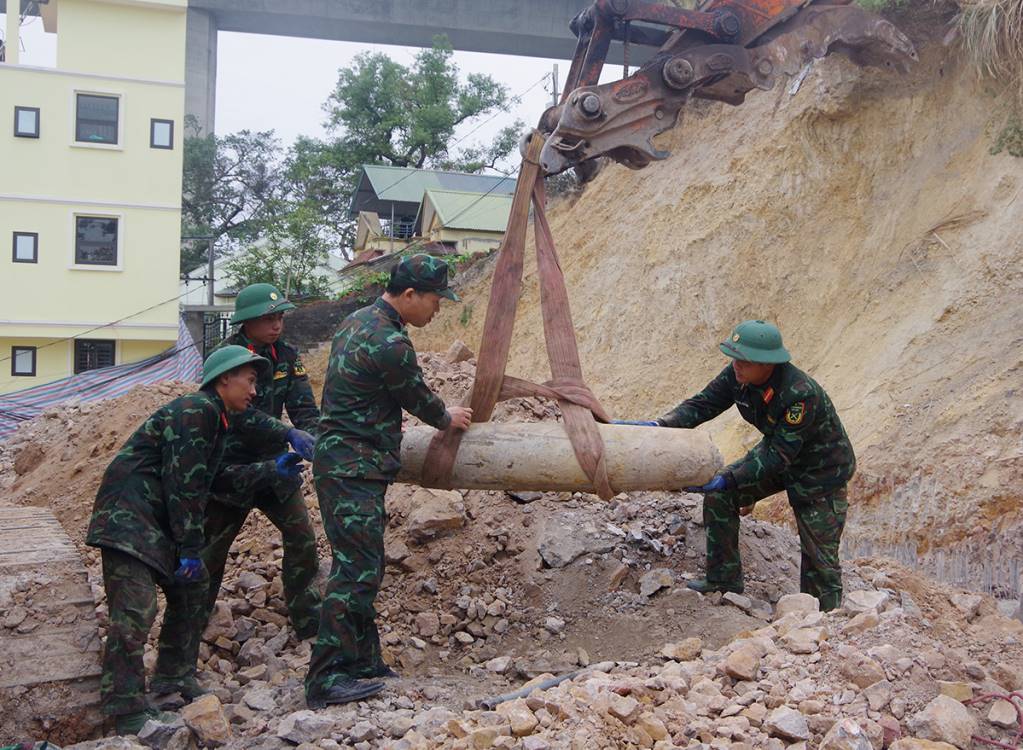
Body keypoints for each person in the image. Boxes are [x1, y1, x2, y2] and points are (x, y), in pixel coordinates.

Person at [86, 346, 307, 735]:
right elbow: (184, 485)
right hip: (128, 517)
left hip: (155, 519)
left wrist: (270, 470)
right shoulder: (196, 411)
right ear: (225, 378)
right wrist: (190, 547)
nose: (256, 392)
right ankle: (126, 711)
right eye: (250, 381)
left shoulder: (216, 420)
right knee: (136, 610)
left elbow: (215, 478)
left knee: (193, 589)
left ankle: (173, 677)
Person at [305, 254, 473, 708]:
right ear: (411, 295)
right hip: (352, 466)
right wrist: (447, 416)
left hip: (347, 464)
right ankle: (325, 678)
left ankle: (362, 661)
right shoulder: (389, 342)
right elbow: (415, 395)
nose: (438, 308)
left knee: (364, 564)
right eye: (436, 299)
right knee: (356, 570)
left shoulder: (357, 321)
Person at [629, 320, 855, 611]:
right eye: (735, 357)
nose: (736, 365)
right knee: (721, 496)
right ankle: (723, 580)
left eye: (745, 360)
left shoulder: (800, 394)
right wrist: (659, 426)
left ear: (767, 364)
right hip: (778, 451)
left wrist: (729, 478)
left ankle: (822, 621)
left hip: (820, 471)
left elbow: (778, 456)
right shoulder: (738, 376)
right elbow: (702, 405)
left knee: (818, 556)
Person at [197, 283, 322, 660]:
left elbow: (304, 408)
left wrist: (315, 439)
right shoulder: (227, 358)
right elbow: (239, 414)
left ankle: (307, 619)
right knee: (210, 553)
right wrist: (288, 433)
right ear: (247, 322)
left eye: (280, 317)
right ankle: (193, 622)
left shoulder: (287, 355)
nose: (277, 325)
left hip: (276, 468)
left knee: (303, 539)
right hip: (230, 471)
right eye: (268, 319)